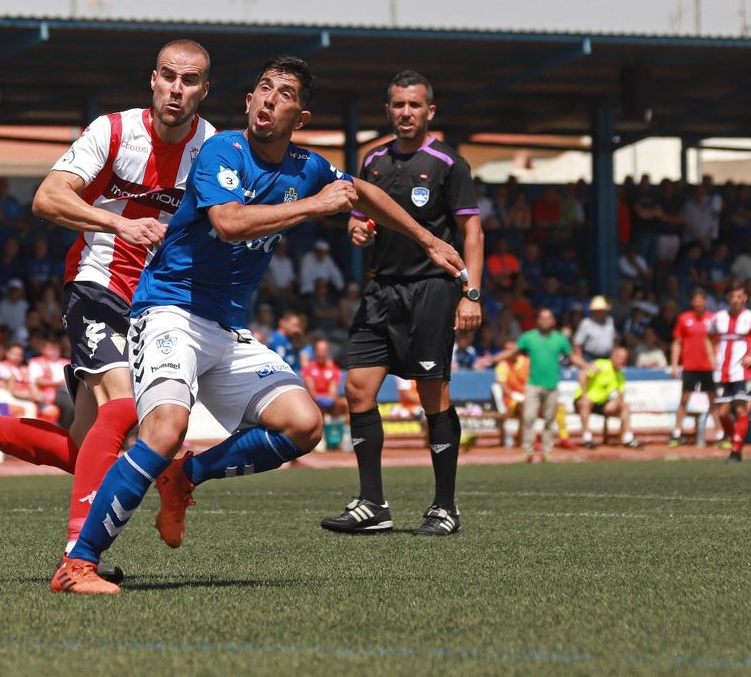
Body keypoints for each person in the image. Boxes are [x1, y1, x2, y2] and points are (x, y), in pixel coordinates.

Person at [54, 54, 466, 593]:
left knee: (304, 424)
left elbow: (363, 193)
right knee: (164, 428)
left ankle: (186, 475)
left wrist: (429, 240)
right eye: (264, 89)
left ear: (302, 117)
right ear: (248, 102)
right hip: (168, 313)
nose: (271, 98)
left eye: (285, 93)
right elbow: (227, 224)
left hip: (226, 329)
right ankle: (78, 564)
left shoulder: (307, 166)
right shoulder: (220, 150)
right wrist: (316, 207)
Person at [0, 40, 217, 588]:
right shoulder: (113, 132)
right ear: (153, 79)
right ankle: (79, 555)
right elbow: (47, 199)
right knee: (124, 412)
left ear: (203, 90)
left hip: (160, 305)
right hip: (96, 286)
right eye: (168, 76)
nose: (177, 88)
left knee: (85, 453)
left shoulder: (213, 148)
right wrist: (120, 225)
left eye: (189, 80)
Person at [323, 69, 483, 537]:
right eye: (398, 105)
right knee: (357, 390)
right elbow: (358, 221)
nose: (406, 113)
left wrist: (470, 292)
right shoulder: (372, 161)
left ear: (429, 111)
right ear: (388, 110)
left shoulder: (449, 164)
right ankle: (373, 503)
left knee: (431, 396)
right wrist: (356, 230)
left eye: (414, 105)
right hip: (381, 291)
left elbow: (472, 230)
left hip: (432, 289)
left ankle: (445, 508)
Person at [487, 308, 587, 463]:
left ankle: (547, 451)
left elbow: (572, 356)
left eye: (549, 318)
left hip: (552, 385)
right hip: (532, 385)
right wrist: (493, 359)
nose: (545, 321)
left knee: (549, 419)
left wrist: (587, 365)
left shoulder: (560, 339)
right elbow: (512, 352)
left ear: (553, 321)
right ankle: (528, 451)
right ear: (538, 320)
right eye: (542, 318)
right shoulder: (528, 337)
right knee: (528, 418)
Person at [709, 286, 751, 463]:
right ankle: (737, 443)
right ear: (728, 298)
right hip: (722, 372)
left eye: (739, 296)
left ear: (745, 298)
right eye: (732, 295)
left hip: (742, 371)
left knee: (740, 409)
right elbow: (707, 337)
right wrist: (711, 355)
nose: (736, 299)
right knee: (723, 413)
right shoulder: (719, 318)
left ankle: (735, 450)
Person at [668, 288, 717, 447]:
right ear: (691, 302)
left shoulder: (712, 319)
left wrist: (716, 361)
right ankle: (676, 433)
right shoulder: (683, 318)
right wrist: (675, 364)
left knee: (713, 400)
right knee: (684, 399)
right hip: (690, 365)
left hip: (708, 366)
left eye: (700, 299)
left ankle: (720, 434)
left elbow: (717, 342)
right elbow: (676, 342)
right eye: (695, 299)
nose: (698, 302)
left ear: (705, 301)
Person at [574, 344, 641, 448]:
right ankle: (587, 438)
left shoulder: (620, 375)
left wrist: (616, 402)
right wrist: (584, 395)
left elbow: (620, 394)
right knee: (586, 403)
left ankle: (628, 438)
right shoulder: (601, 365)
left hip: (602, 403)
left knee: (625, 406)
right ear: (613, 356)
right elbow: (582, 376)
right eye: (619, 357)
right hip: (585, 401)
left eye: (624, 359)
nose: (621, 361)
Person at [302, 337, 347, 421]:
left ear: (328, 352)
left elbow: (332, 392)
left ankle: (344, 430)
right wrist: (320, 400)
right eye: (319, 350)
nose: (321, 353)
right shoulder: (308, 368)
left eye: (324, 350)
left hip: (330, 403)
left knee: (345, 403)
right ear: (315, 351)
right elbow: (312, 391)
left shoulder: (334, 369)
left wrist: (327, 400)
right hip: (313, 402)